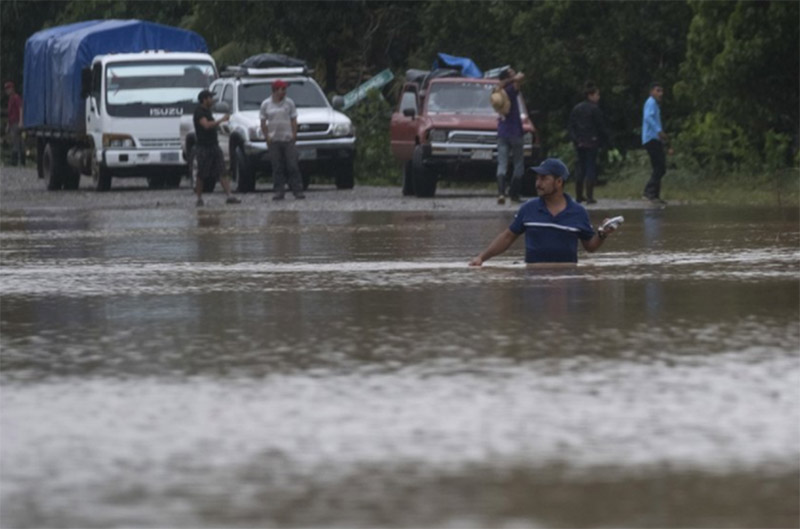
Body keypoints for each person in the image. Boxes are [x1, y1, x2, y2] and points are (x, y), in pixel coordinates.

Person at [469, 158, 618, 266]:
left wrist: (602, 233)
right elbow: (507, 237)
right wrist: (481, 258)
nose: (538, 184)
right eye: (537, 179)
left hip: (567, 280)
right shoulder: (528, 209)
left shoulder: (578, 212)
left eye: (543, 178)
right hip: (533, 279)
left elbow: (590, 247)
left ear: (559, 182)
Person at [193, 90, 240, 207]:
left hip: (214, 145)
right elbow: (206, 125)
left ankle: (229, 196)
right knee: (202, 174)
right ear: (204, 99)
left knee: (222, 171)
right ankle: (199, 198)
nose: (212, 100)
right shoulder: (199, 112)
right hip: (203, 147)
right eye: (210, 98)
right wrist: (221, 120)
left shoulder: (208, 111)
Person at [260, 79, 304, 200]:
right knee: (277, 166)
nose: (284, 92)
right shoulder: (266, 104)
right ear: (275, 90)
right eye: (282, 89)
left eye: (285, 89)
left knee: (292, 165)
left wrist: (294, 134)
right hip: (274, 140)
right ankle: (279, 191)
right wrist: (267, 136)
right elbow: (263, 122)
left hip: (288, 138)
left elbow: (293, 119)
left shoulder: (289, 103)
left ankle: (297, 189)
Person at [568, 81, 608, 204]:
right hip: (591, 142)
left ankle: (579, 195)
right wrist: (604, 140)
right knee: (590, 167)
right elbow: (600, 126)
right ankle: (589, 196)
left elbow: (571, 126)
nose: (598, 97)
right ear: (590, 96)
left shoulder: (576, 108)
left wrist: (575, 139)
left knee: (581, 167)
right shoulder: (595, 109)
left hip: (579, 142)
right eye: (597, 95)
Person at [495, 67, 525, 205]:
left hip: (502, 131)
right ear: (508, 77)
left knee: (502, 163)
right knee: (518, 163)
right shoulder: (511, 90)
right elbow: (520, 79)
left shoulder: (497, 91)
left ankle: (501, 192)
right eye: (511, 72)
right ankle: (514, 194)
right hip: (515, 131)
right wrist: (516, 77)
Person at [641, 82, 668, 205]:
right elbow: (648, 118)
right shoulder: (651, 102)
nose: (660, 93)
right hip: (651, 138)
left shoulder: (655, 104)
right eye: (658, 90)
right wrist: (659, 131)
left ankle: (655, 194)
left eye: (661, 91)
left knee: (659, 166)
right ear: (652, 91)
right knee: (660, 167)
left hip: (654, 139)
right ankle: (649, 192)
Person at [4, 81, 24, 166]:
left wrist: (21, 121)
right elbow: (10, 113)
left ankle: (16, 161)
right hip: (12, 122)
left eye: (8, 88)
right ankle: (19, 160)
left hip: (16, 122)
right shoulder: (10, 99)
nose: (7, 91)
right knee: (15, 141)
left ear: (12, 88)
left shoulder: (16, 98)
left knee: (17, 141)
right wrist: (8, 124)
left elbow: (20, 108)